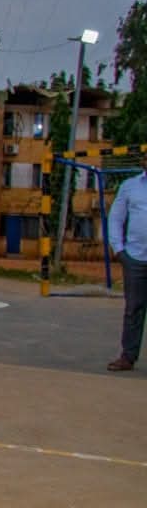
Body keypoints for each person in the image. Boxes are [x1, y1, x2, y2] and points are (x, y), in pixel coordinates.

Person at [106, 152, 147, 371]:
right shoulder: (130, 186)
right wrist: (119, 249)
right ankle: (128, 356)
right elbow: (115, 218)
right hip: (135, 258)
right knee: (134, 309)